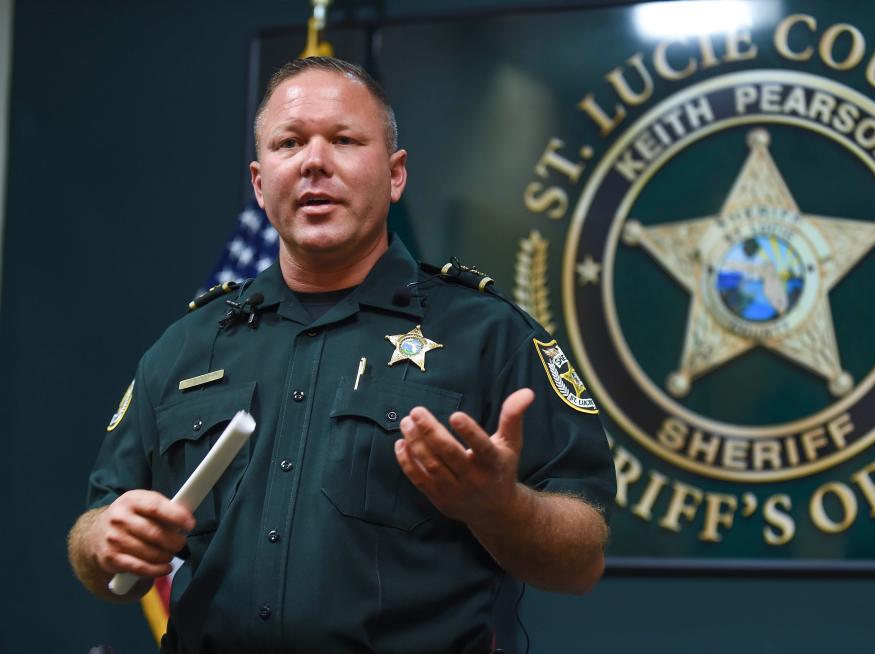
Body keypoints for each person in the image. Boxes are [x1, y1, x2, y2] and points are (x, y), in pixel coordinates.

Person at [68, 56, 615, 654]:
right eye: (289, 143)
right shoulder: (188, 345)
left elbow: (581, 562)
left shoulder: (489, 334)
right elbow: (97, 532)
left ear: (396, 173)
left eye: (345, 140)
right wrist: (102, 543)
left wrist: (499, 506)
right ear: (259, 181)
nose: (314, 162)